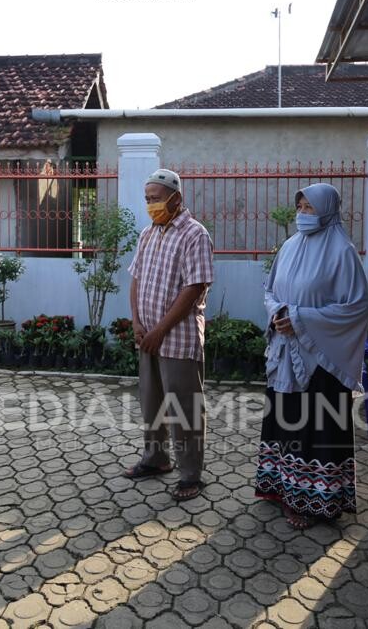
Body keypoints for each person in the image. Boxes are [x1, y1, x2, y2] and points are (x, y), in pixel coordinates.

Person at [255, 184, 368, 529]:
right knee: (285, 422)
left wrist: (301, 319)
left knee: (314, 427)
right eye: (300, 207)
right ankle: (282, 488)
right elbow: (271, 290)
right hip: (285, 353)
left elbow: (356, 307)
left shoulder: (342, 251)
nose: (303, 215)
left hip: (320, 360)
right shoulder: (290, 247)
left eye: (310, 208)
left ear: (328, 211)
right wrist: (278, 313)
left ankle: (315, 502)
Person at [124, 168, 214, 502]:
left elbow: (195, 287)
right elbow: (136, 279)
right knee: (152, 403)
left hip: (177, 338)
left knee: (184, 408)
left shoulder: (195, 234)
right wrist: (136, 322)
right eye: (147, 200)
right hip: (147, 336)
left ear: (176, 198)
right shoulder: (148, 234)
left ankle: (190, 474)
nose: (151, 205)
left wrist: (160, 330)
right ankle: (156, 459)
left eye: (156, 199)